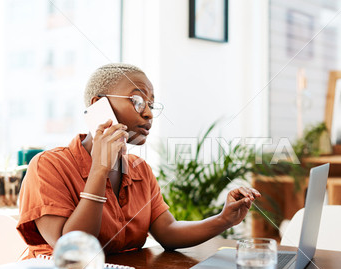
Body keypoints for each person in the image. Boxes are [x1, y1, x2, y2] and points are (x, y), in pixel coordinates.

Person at [17, 63, 260, 258]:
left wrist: (223, 219)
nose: (148, 113)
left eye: (151, 105)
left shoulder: (139, 169)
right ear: (98, 105)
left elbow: (167, 231)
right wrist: (100, 170)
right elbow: (72, 250)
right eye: (137, 101)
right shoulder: (48, 165)